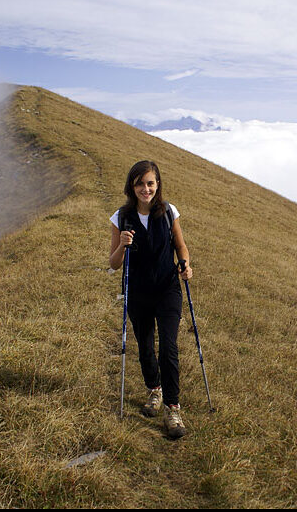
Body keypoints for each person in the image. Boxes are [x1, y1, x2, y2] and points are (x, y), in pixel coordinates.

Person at [109, 160, 193, 439]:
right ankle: (154, 389)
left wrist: (185, 264)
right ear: (131, 186)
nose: (145, 189)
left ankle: (172, 407)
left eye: (150, 183)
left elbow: (180, 246)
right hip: (138, 291)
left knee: (168, 346)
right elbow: (113, 263)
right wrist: (122, 243)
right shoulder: (120, 217)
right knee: (145, 347)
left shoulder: (169, 212)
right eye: (140, 183)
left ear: (157, 185)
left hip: (168, 287)